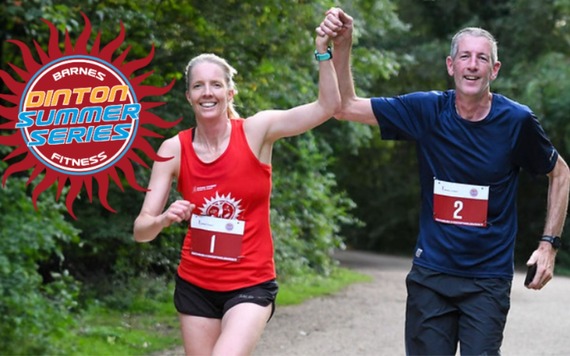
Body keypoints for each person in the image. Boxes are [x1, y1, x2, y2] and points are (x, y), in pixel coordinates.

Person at [318, 7, 570, 356]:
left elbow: (560, 172)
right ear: (450, 66)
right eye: (464, 56)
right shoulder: (427, 111)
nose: (472, 64)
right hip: (431, 276)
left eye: (482, 58)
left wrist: (548, 245)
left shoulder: (517, 122)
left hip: (487, 281)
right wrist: (343, 44)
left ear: (494, 70)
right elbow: (345, 106)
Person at [133, 31, 339, 355]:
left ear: (230, 92)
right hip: (196, 285)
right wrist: (162, 218)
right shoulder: (173, 150)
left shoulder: (258, 131)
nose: (207, 92)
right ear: (188, 96)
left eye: (216, 84)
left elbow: (327, 107)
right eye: (198, 86)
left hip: (250, 283)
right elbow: (141, 230)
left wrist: (323, 52)